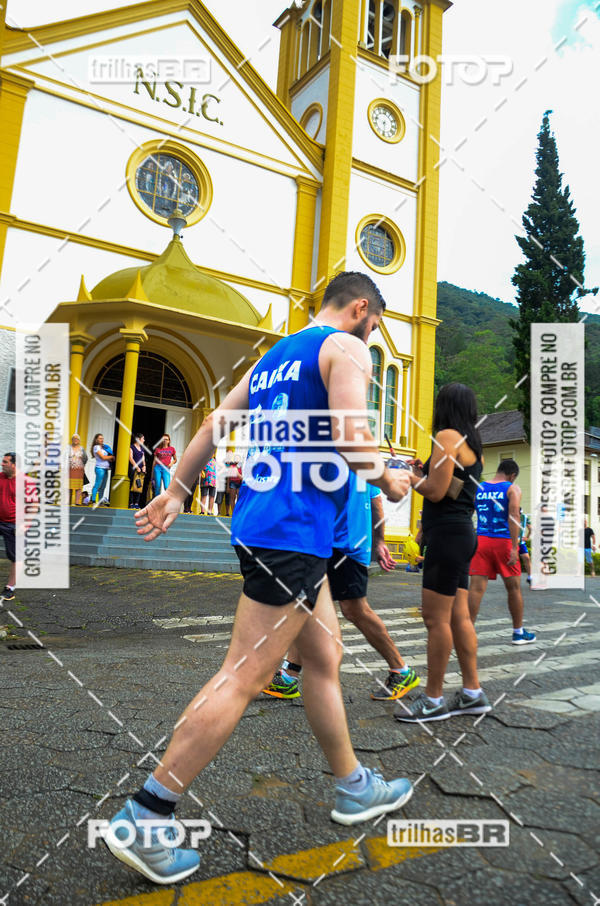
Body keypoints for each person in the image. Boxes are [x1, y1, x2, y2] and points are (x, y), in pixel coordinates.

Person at [105, 271, 413, 884]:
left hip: (267, 525)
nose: (372, 340)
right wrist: (390, 479)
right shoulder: (346, 346)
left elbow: (217, 421)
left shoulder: (277, 355)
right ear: (360, 309)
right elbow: (355, 442)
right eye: (375, 325)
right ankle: (148, 810)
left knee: (323, 657)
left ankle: (353, 786)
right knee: (244, 674)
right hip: (293, 532)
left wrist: (178, 491)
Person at [263, 473, 420, 701]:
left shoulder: (354, 449)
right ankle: (288, 676)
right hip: (323, 541)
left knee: (355, 609)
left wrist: (379, 541)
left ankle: (401, 670)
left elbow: (376, 498)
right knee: (306, 603)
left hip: (346, 544)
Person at [396, 383, 491, 723]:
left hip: (447, 536)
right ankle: (472, 692)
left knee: (435, 619)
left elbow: (435, 493)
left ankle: (434, 699)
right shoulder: (473, 446)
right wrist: (425, 472)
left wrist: (408, 476)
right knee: (458, 617)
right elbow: (453, 488)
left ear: (443, 406)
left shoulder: (447, 437)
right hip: (463, 533)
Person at [468, 459, 536, 645]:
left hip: (480, 540)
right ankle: (518, 633)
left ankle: (466, 631)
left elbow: (471, 510)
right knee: (513, 588)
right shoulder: (512, 489)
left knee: (475, 588)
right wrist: (515, 547)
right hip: (504, 541)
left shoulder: (479, 487)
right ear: (512, 475)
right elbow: (514, 515)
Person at [0, 452, 16, 600]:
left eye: (5, 462)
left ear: (14, 465)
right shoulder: (0, 477)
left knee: (14, 557)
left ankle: (10, 587)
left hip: (14, 524)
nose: (2, 464)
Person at [90, 434, 115, 505]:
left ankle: (100, 501)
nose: (102, 440)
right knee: (97, 484)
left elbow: (107, 457)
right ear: (96, 439)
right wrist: (111, 457)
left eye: (102, 438)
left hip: (106, 469)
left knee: (103, 486)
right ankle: (93, 500)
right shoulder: (96, 447)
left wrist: (110, 458)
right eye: (100, 438)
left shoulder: (105, 447)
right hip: (99, 468)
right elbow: (103, 457)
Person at [68, 434, 88, 505]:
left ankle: (77, 502)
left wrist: (82, 465)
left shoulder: (82, 448)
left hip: (79, 470)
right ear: (72, 440)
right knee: (69, 486)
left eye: (77, 439)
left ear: (79, 441)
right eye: (74, 438)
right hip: (70, 470)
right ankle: (68, 502)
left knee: (78, 487)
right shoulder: (68, 448)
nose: (75, 440)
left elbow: (85, 458)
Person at [129, 434, 146, 510]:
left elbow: (143, 458)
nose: (144, 440)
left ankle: (136, 503)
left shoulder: (142, 448)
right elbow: (130, 458)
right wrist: (136, 467)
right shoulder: (131, 447)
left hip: (141, 470)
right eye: (143, 438)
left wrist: (144, 466)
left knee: (139, 485)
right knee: (133, 485)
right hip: (134, 469)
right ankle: (131, 503)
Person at [519, 510, 531, 585]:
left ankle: (530, 577)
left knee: (526, 558)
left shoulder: (525, 517)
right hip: (509, 541)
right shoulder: (508, 515)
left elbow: (531, 528)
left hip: (520, 542)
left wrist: (527, 537)